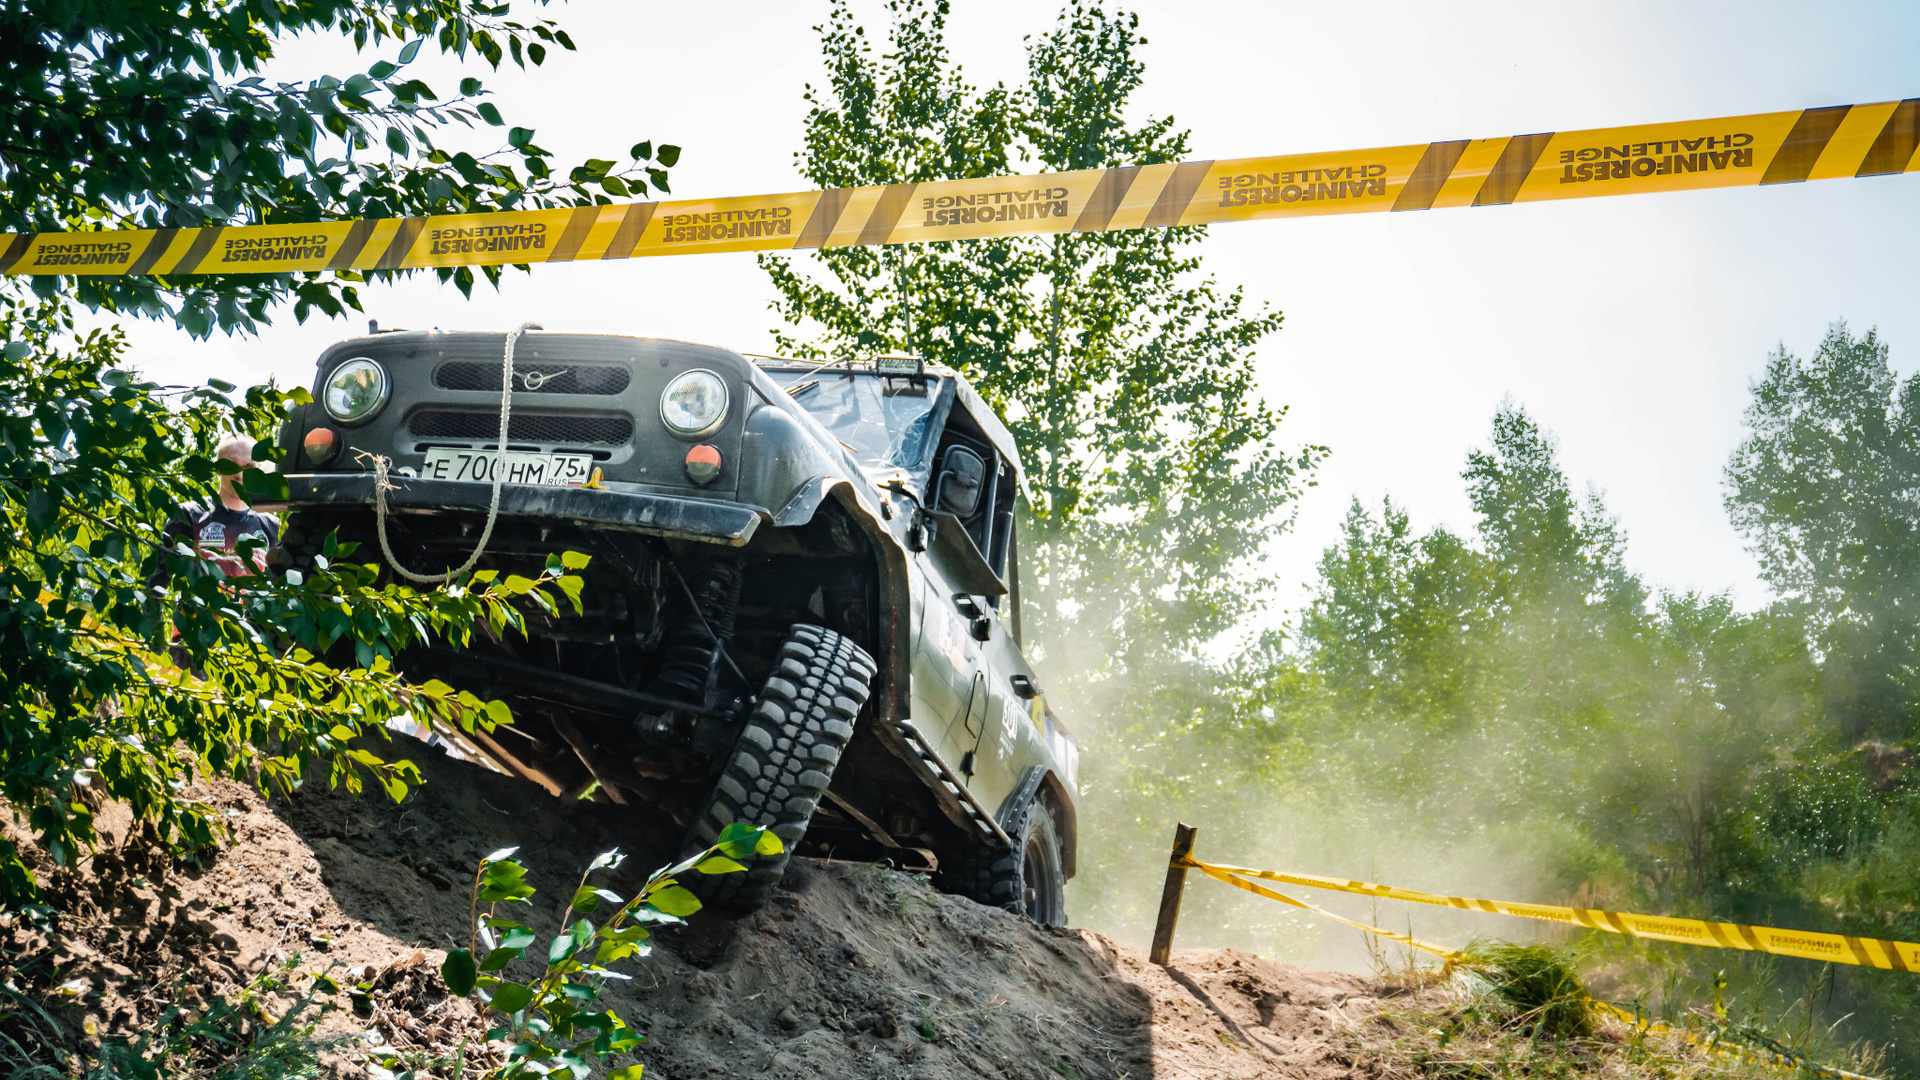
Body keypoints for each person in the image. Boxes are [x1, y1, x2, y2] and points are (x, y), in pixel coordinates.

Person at [170, 436, 280, 578]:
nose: (239, 475)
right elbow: (158, 580)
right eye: (231, 466)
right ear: (218, 469)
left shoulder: (269, 525)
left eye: (248, 467)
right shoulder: (189, 515)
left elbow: (272, 584)